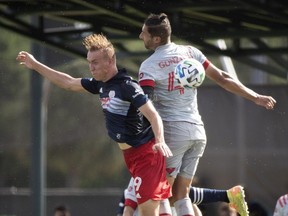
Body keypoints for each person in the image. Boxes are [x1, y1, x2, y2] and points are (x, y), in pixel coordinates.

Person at [16, 33, 173, 216]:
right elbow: (68, 82)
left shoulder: (128, 86)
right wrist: (34, 64)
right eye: (89, 62)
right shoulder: (100, 84)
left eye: (95, 62)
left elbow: (154, 116)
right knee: (156, 207)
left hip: (147, 155)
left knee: (148, 212)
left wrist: (160, 140)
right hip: (132, 156)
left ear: (110, 60)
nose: (90, 67)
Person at [136, 12, 276, 216]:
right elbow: (222, 77)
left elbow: (145, 104)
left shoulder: (149, 66)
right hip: (197, 131)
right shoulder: (191, 53)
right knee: (181, 195)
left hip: (173, 133)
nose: (141, 37)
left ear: (156, 38)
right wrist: (255, 97)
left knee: (161, 194)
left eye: (144, 33)